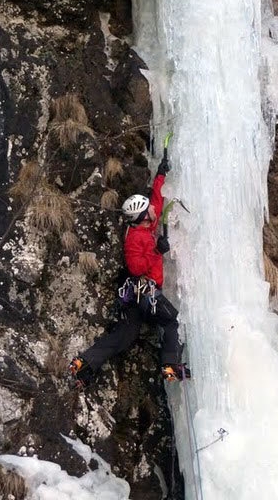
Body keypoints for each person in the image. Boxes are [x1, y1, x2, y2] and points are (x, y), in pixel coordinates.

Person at [69, 156, 190, 389]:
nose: (154, 209)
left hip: (136, 296)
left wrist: (160, 176)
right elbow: (136, 268)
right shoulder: (135, 238)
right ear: (144, 217)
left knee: (124, 337)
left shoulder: (145, 227)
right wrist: (157, 250)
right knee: (170, 320)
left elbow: (157, 200)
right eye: (149, 209)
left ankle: (82, 365)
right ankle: (170, 368)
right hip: (145, 290)